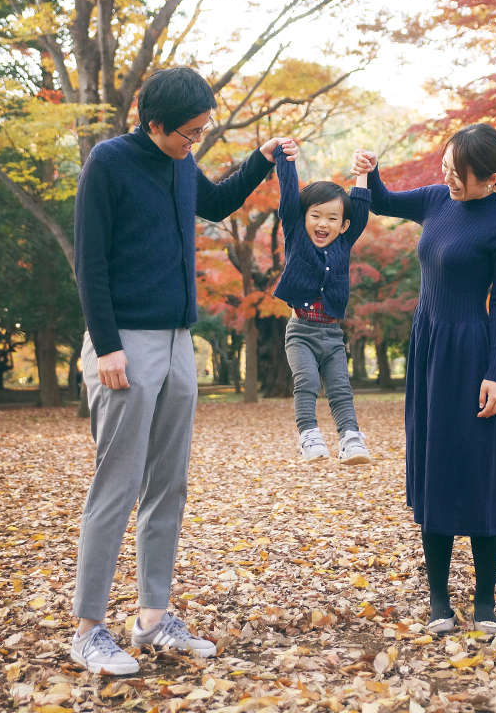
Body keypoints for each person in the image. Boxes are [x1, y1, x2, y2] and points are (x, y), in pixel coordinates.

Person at [71, 66, 298, 674]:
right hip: (125, 344)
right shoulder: (110, 163)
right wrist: (108, 344)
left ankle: (151, 616)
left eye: (202, 131)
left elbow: (215, 203)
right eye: (187, 133)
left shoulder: (177, 163)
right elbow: (89, 262)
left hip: (177, 342)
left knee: (168, 484)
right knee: (116, 484)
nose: (194, 141)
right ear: (154, 125)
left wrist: (261, 159)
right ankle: (88, 628)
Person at [352, 123, 496, 636]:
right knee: (435, 466)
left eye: (460, 174)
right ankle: (438, 600)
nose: (449, 178)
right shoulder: (434, 200)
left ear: (490, 178)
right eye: (446, 167)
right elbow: (380, 200)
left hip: (473, 353)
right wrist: (369, 170)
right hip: (429, 349)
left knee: (479, 471)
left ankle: (487, 601)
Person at [273, 144, 372, 464]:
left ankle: (351, 438)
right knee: (307, 381)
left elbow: (360, 210)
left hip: (332, 334)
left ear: (343, 225)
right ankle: (309, 436)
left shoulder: (345, 241)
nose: (323, 223)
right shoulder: (297, 236)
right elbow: (289, 200)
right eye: (315, 215)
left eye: (332, 218)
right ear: (304, 219)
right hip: (300, 331)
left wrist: (363, 175)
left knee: (341, 388)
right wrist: (285, 161)